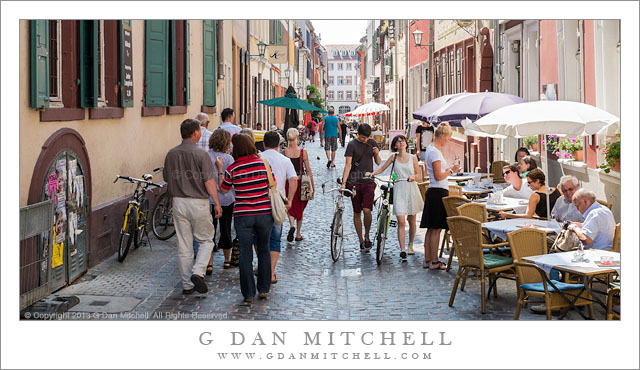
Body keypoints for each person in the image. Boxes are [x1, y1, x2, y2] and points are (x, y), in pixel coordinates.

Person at [163, 119, 222, 295]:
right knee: (206, 240)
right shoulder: (201, 154)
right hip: (198, 202)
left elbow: (167, 178)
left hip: (179, 202)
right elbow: (209, 181)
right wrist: (217, 203)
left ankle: (187, 284)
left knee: (184, 244)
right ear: (196, 133)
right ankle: (198, 271)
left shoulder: (171, 153)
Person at [219, 134, 272, 302]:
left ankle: (248, 293)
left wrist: (220, 170)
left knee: (245, 253)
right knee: (264, 250)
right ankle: (263, 289)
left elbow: (224, 189)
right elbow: (272, 183)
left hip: (243, 215)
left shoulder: (233, 168)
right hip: (264, 213)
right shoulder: (263, 164)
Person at [366, 135, 424, 259]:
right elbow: (381, 168)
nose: (401, 143)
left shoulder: (413, 158)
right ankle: (402, 249)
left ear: (406, 144)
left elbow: (418, 174)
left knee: (412, 220)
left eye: (402, 140)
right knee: (401, 221)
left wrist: (414, 177)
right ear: (395, 146)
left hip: (411, 188)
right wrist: (372, 173)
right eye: (398, 141)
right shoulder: (393, 157)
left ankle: (411, 244)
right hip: (398, 188)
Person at [420, 123, 461, 270]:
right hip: (438, 191)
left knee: (431, 228)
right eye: (448, 138)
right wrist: (452, 170)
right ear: (442, 136)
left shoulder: (431, 149)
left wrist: (448, 169)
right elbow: (438, 176)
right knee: (436, 228)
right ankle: (435, 261)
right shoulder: (435, 152)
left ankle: (427, 259)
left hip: (434, 191)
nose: (447, 141)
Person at [260, 131, 298, 284]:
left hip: (259, 203)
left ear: (264, 144)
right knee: (275, 239)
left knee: (259, 238)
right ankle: (270, 272)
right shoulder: (284, 160)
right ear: (278, 144)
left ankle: (263, 266)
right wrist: (289, 200)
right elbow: (294, 179)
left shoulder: (259, 158)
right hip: (278, 204)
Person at [340, 123, 381, 252]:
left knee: (367, 210)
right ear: (358, 134)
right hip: (354, 182)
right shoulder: (352, 145)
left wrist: (377, 153)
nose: (365, 140)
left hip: (368, 181)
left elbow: (378, 162)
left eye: (367, 137)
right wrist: (344, 183)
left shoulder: (372, 142)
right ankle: (361, 241)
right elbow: (348, 165)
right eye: (363, 137)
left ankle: (367, 235)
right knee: (357, 212)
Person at [206, 129, 235, 273]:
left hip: (209, 199)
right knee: (226, 229)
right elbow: (231, 180)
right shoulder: (229, 159)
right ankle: (227, 260)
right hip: (227, 199)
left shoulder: (206, 156)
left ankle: (209, 263)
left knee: (209, 231)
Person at [284, 128, 315, 242]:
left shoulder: (284, 152)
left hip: (288, 182)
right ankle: (298, 233)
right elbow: (308, 169)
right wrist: (312, 184)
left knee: (290, 205)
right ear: (297, 137)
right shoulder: (302, 152)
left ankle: (291, 225)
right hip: (301, 181)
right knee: (300, 207)